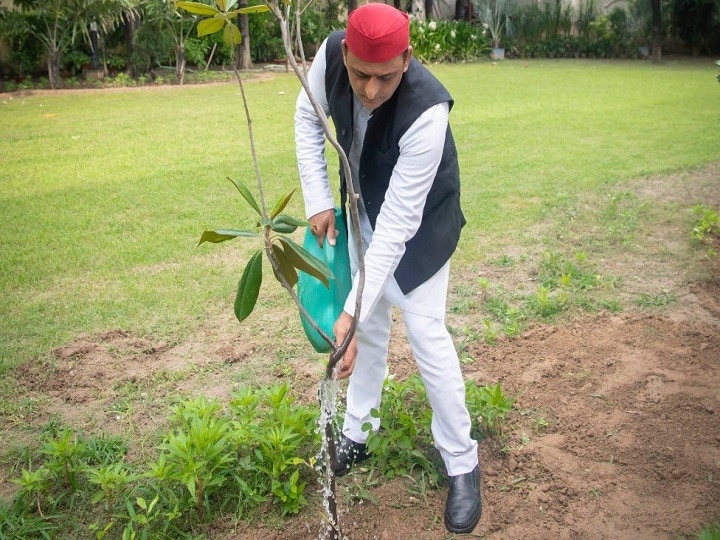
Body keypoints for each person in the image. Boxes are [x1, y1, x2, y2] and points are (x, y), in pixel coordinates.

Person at [294, 2, 481, 534]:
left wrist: (350, 309)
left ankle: (462, 462)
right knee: (370, 329)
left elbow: (398, 227)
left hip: (418, 227)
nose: (370, 90)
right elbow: (308, 118)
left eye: (385, 77)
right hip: (358, 209)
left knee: (426, 336)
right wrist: (318, 197)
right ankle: (359, 431)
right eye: (359, 75)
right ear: (345, 53)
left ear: (407, 58)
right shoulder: (328, 56)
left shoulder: (427, 112)